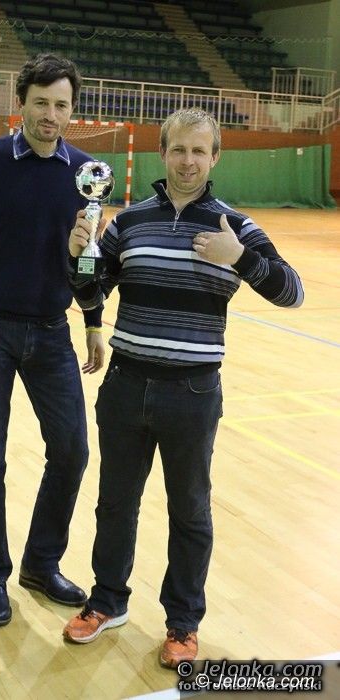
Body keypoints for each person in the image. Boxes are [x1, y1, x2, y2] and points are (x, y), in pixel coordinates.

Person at [63, 108, 304, 666]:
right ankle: (107, 602)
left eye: (199, 151)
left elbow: (292, 292)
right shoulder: (128, 222)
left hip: (192, 394)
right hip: (125, 386)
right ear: (162, 153)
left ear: (214, 157)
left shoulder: (234, 227)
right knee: (114, 504)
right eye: (179, 149)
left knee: (190, 511)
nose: (188, 161)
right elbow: (90, 292)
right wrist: (79, 256)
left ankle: (183, 623)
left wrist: (240, 258)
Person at [0, 53, 104, 627]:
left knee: (73, 451)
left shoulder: (84, 173)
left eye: (61, 104)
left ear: (73, 110)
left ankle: (40, 563)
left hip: (52, 331)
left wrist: (92, 319)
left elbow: (85, 262)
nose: (50, 114)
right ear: (21, 103)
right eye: (41, 103)